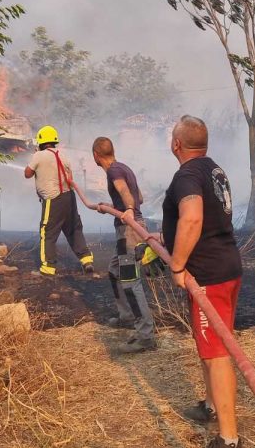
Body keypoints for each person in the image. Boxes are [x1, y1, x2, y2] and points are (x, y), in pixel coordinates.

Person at [163, 116, 243, 448]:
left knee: (216, 352)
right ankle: (211, 405)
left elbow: (193, 216)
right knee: (209, 341)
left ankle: (228, 437)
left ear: (177, 144)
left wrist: (178, 265)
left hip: (208, 275)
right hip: (226, 266)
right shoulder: (213, 169)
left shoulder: (186, 175)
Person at [91, 136, 157, 353]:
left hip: (129, 231)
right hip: (129, 228)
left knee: (130, 280)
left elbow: (129, 197)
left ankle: (146, 335)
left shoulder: (113, 172)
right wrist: (113, 206)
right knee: (114, 271)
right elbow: (140, 197)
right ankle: (127, 316)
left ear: (96, 156)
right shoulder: (124, 167)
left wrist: (127, 208)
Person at [24, 125, 95, 276]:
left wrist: (35, 158)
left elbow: (27, 174)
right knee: (74, 229)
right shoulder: (64, 156)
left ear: (41, 142)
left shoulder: (38, 156)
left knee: (47, 232)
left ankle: (48, 267)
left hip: (53, 199)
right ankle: (86, 259)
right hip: (69, 197)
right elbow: (71, 180)